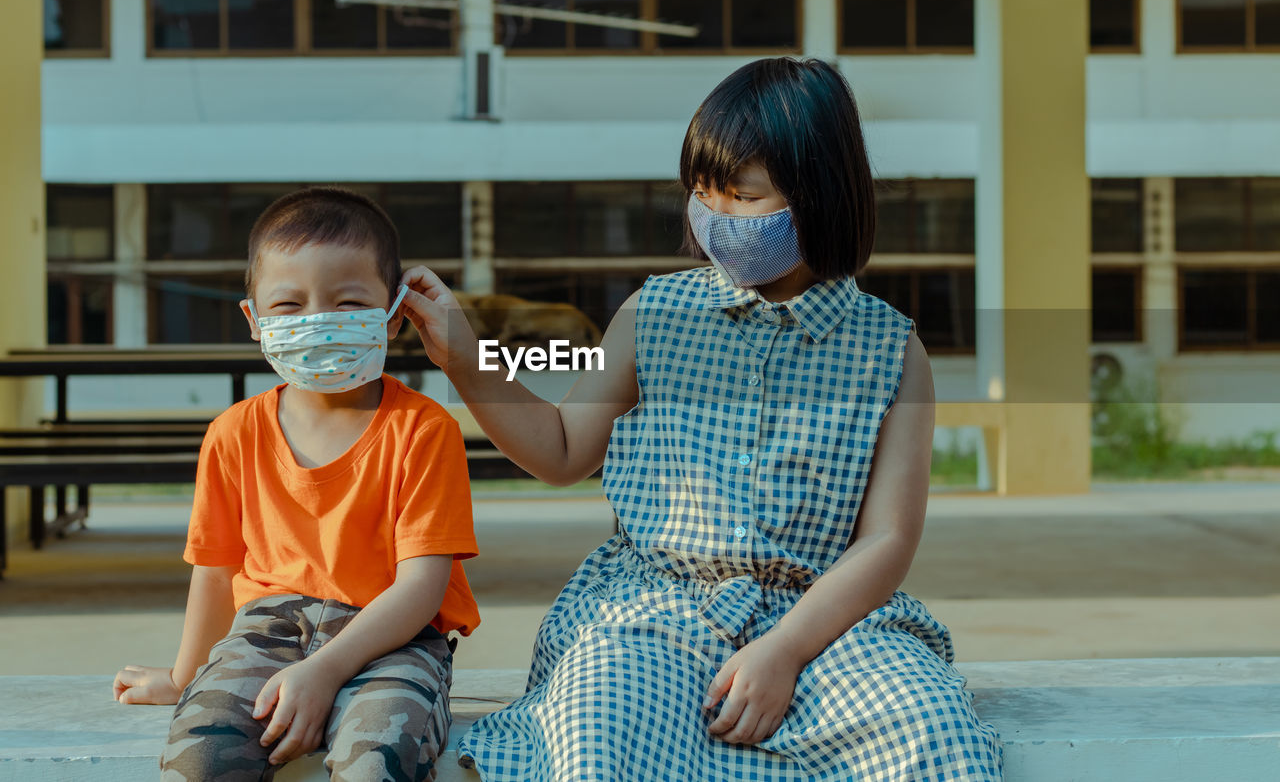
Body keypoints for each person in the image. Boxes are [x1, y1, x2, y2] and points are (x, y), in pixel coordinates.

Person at [399, 57, 1004, 781]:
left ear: (824, 196)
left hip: (827, 623)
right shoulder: (651, 314)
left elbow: (885, 540)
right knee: (599, 726)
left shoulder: (892, 350)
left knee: (932, 730)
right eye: (703, 191)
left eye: (744, 194)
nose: (716, 214)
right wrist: (467, 359)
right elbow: (561, 448)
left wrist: (783, 649)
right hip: (651, 610)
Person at [113, 186, 480, 782]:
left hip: (395, 640)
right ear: (253, 320)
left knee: (377, 761)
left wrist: (324, 672)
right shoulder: (233, 433)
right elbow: (213, 570)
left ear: (395, 312)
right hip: (263, 632)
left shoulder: (424, 430)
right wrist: (186, 678)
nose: (318, 322)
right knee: (199, 758)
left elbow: (420, 590)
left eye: (348, 301)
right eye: (289, 306)